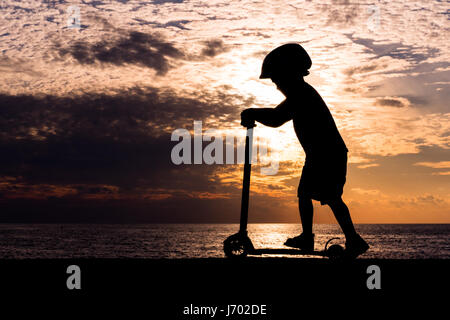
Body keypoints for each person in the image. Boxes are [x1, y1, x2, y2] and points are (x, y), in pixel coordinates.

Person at [241, 43, 369, 258]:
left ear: (288, 74)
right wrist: (254, 113)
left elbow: (276, 118)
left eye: (277, 79)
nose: (276, 85)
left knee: (320, 195)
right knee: (325, 196)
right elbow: (276, 117)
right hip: (325, 153)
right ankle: (347, 239)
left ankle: (317, 237)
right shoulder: (301, 93)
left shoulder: (301, 94)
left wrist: (252, 112)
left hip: (326, 153)